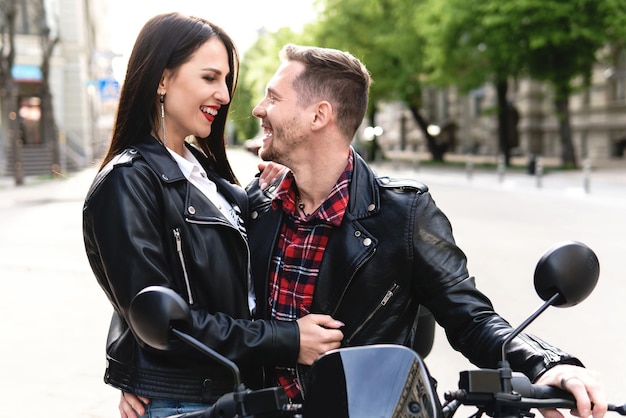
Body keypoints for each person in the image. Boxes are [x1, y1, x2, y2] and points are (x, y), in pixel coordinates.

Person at [243, 44, 606, 418]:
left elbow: (470, 317)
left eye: (273, 97)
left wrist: (547, 364)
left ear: (319, 115)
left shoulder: (403, 213)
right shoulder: (258, 202)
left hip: (370, 408)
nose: (258, 109)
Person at [82, 15, 343, 418]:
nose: (223, 95)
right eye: (209, 78)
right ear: (162, 80)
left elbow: (221, 278)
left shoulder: (208, 175)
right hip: (188, 402)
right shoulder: (127, 182)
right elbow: (162, 319)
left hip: (238, 392)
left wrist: (262, 196)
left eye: (225, 81)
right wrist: (288, 339)